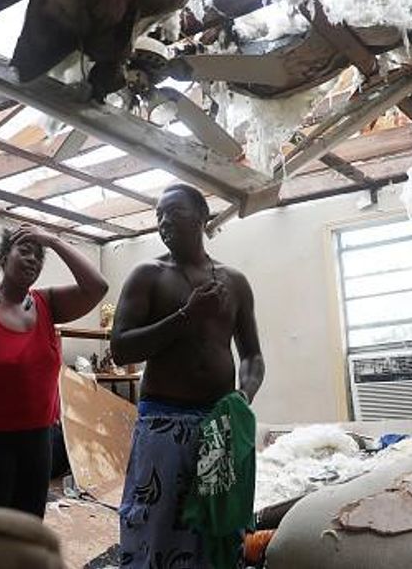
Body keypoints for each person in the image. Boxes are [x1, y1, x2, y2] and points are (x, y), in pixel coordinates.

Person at [110, 183, 265, 567]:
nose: (163, 222)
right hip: (163, 422)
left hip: (219, 424)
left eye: (173, 212)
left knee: (218, 527)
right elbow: (121, 349)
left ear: (201, 217)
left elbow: (253, 356)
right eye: (158, 215)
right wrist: (185, 317)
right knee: (156, 527)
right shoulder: (147, 275)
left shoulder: (235, 282)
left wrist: (242, 398)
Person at [0, 224, 108, 517]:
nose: (33, 259)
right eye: (24, 250)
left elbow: (97, 287)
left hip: (38, 440)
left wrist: (54, 241)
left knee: (29, 529)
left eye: (39, 256)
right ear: (4, 257)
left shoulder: (48, 303)